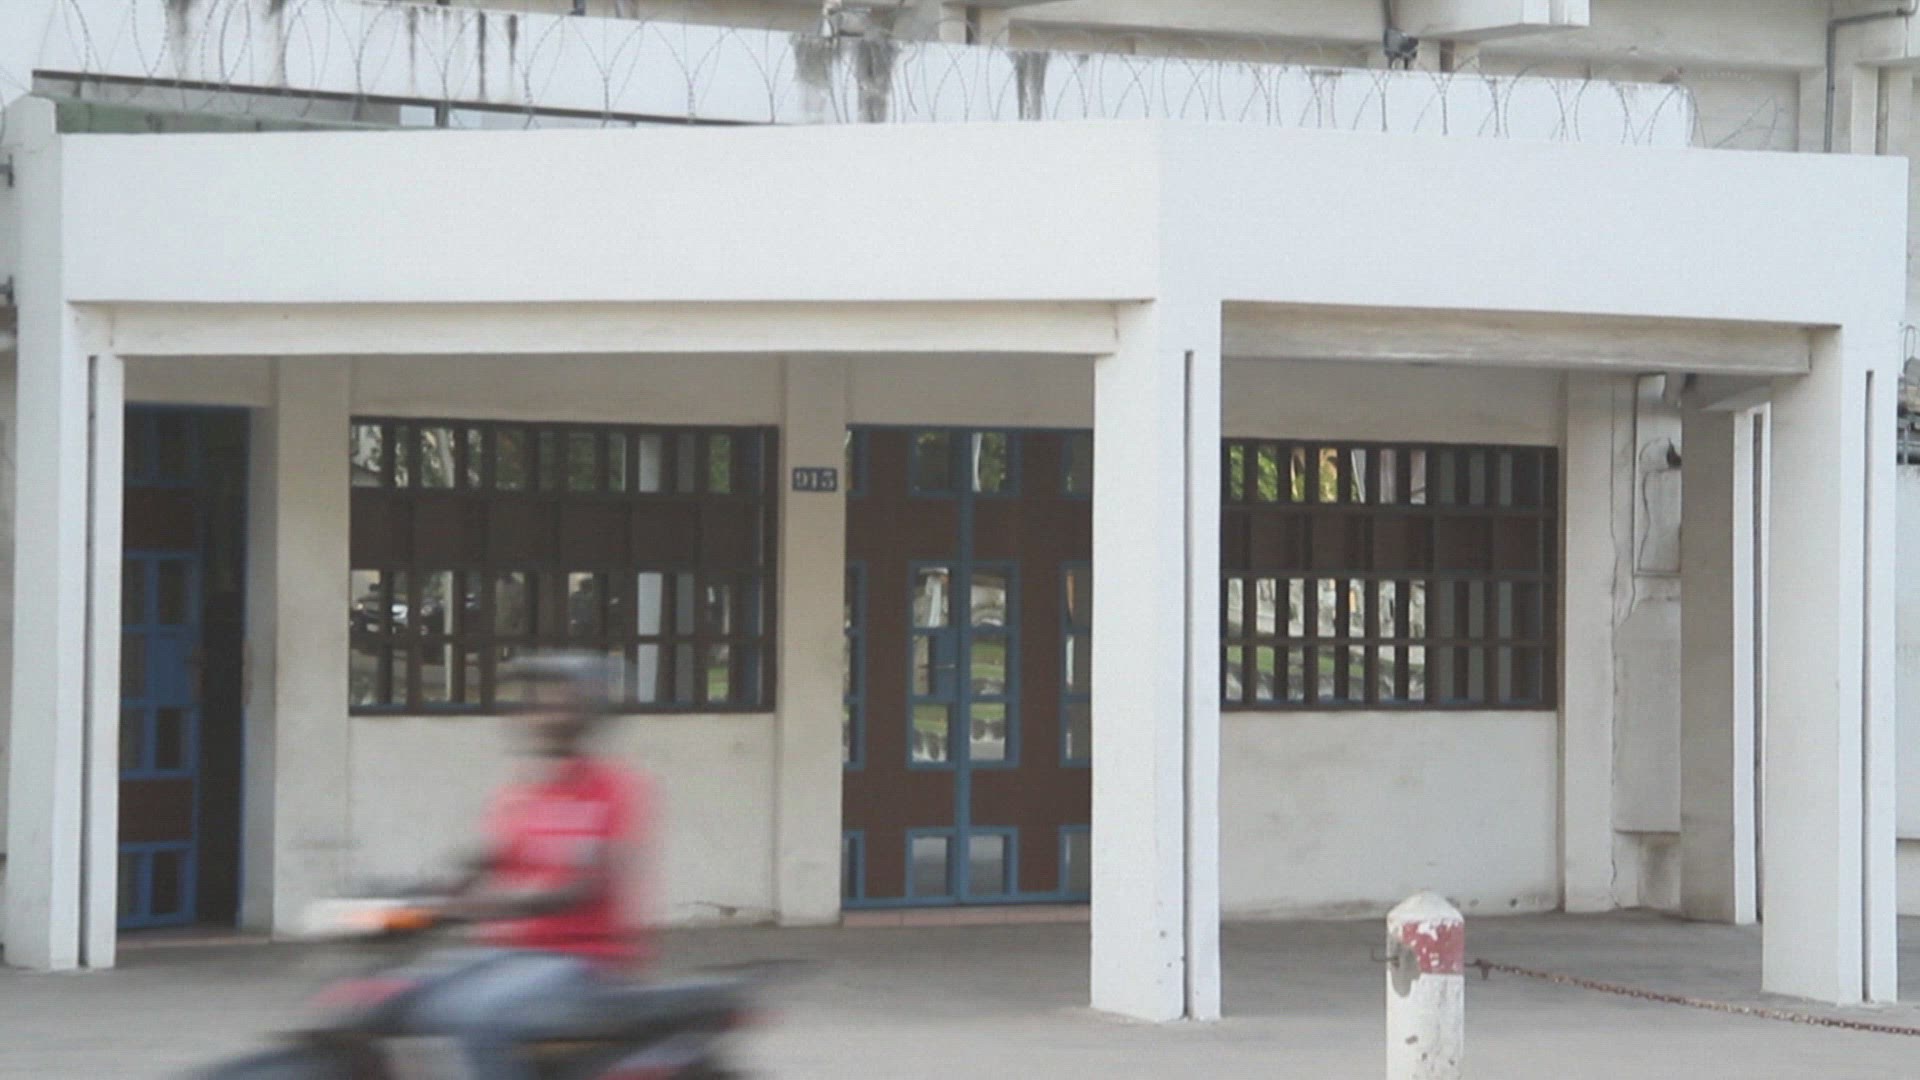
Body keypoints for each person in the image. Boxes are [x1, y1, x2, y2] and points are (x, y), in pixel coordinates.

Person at [412, 650, 654, 1079]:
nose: (544, 715)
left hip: (583, 959)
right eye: (538, 703)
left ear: (590, 714)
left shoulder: (614, 788)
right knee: (408, 997)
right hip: (511, 955)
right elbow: (493, 858)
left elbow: (588, 886)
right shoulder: (521, 791)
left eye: (561, 704)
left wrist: (498, 905)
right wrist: (433, 893)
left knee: (482, 1018)